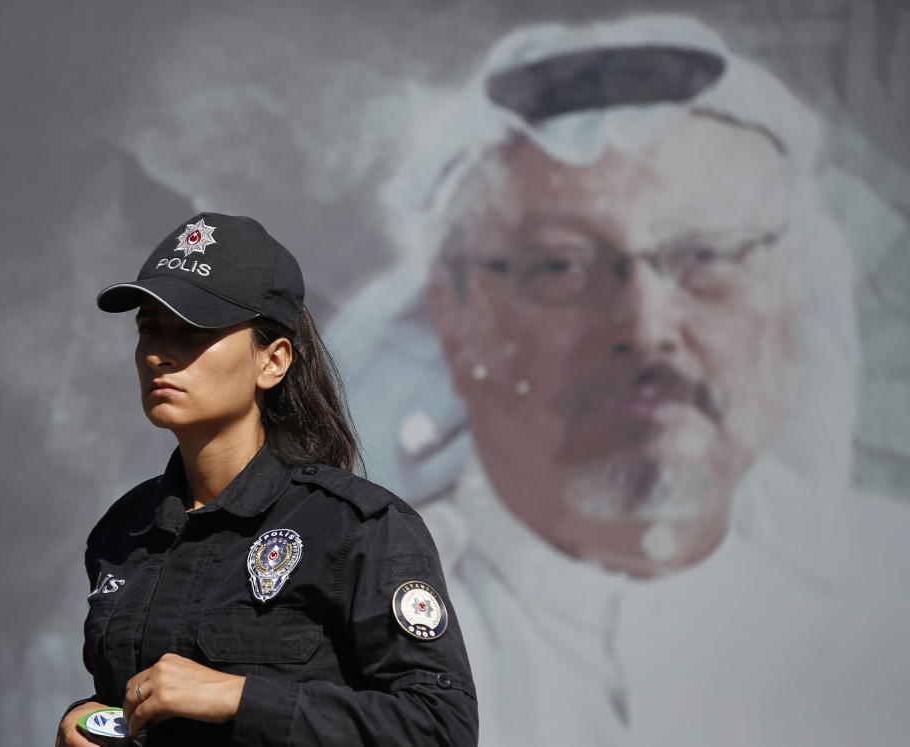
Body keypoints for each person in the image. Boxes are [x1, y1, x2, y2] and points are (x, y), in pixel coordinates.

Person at [328, 14, 910, 747]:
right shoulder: (339, 646)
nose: (644, 320)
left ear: (788, 305)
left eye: (708, 254)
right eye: (561, 265)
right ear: (457, 315)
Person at [55, 212, 478, 746]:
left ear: (272, 363)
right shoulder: (123, 532)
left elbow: (441, 728)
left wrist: (236, 696)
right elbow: (138, 702)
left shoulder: (358, 528)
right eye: (149, 329)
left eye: (194, 330)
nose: (159, 354)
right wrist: (90, 718)